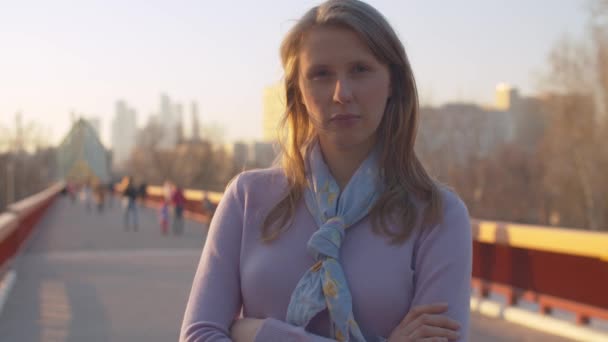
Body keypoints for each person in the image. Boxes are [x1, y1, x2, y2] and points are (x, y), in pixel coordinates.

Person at [180, 1, 472, 341]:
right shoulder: (247, 199)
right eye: (321, 74)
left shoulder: (438, 215)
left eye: (360, 69)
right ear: (298, 92)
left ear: (393, 82)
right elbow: (199, 335)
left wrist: (261, 333)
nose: (341, 94)